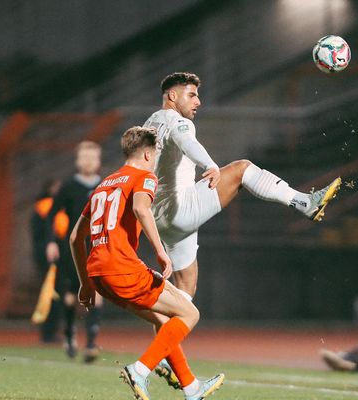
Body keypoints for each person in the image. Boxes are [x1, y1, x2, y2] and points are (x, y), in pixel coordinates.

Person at [143, 71, 341, 386]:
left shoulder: (150, 122)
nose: (198, 101)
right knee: (241, 169)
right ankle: (305, 202)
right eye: (191, 94)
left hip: (161, 217)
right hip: (180, 208)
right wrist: (209, 164)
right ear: (172, 96)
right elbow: (187, 140)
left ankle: (163, 360)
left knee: (182, 296)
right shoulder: (174, 120)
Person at [69, 126, 225, 400]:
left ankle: (191, 388)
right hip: (123, 268)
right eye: (155, 156)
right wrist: (160, 251)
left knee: (164, 321)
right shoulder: (144, 176)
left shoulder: (102, 185)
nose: (155, 161)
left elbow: (74, 238)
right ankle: (140, 370)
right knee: (189, 314)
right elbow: (142, 209)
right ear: (147, 153)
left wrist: (85, 284)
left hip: (99, 276)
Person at [45, 140, 104, 362]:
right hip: (73, 246)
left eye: (93, 157)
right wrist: (51, 241)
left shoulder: (107, 184)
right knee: (71, 296)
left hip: (98, 246)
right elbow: (52, 214)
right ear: (78, 160)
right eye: (85, 157)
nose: (89, 161)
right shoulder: (69, 186)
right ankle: (70, 335)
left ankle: (91, 344)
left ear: (98, 160)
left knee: (96, 292)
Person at [30, 178, 63, 343]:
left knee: (52, 292)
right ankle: (48, 332)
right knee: (52, 293)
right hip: (49, 257)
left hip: (43, 255)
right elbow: (60, 231)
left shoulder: (42, 206)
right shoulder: (47, 206)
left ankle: (49, 331)